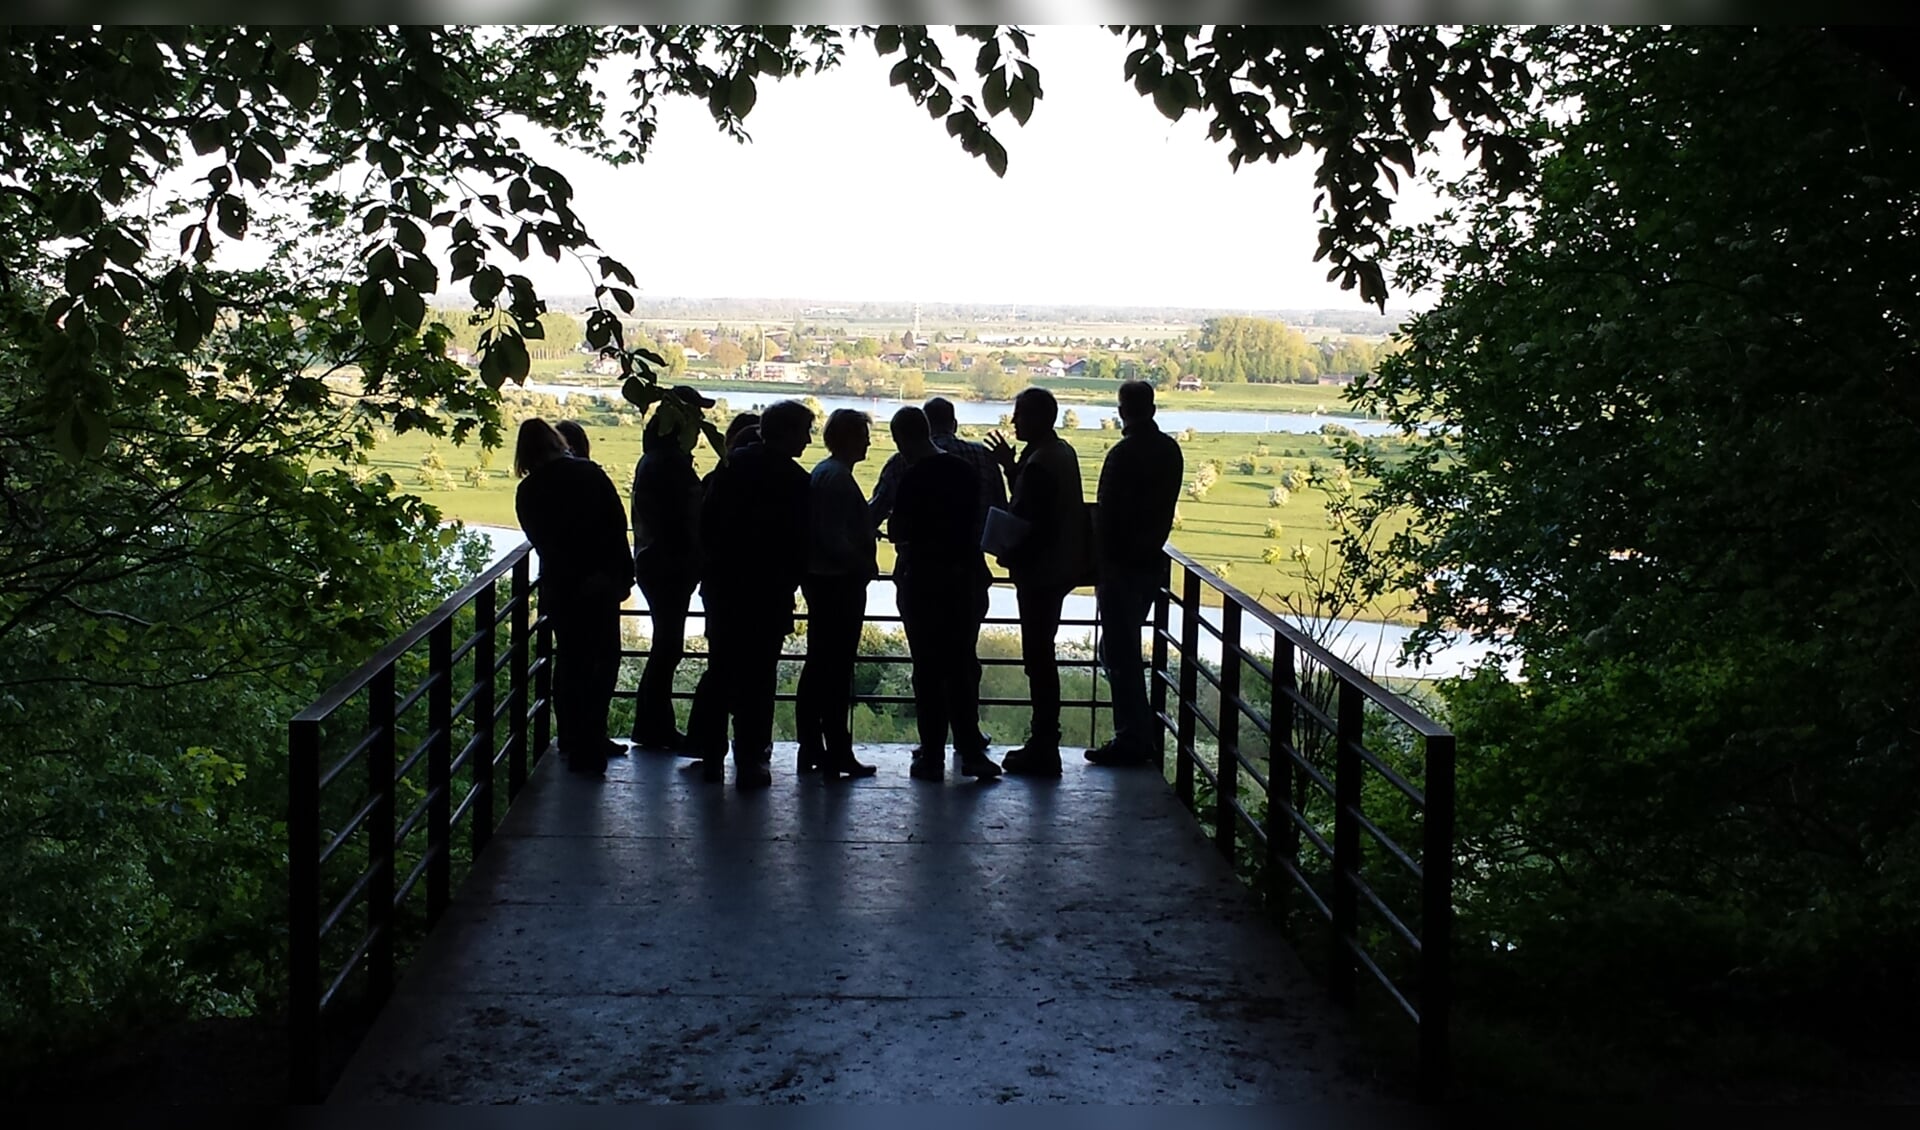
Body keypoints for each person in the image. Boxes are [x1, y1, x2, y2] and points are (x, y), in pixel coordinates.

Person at [868, 398, 1004, 759]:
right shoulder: (975, 464)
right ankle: (968, 739)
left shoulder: (904, 468)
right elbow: (999, 514)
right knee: (962, 659)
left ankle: (931, 750)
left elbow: (888, 521)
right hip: (968, 573)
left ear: (903, 438)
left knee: (927, 665)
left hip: (920, 577)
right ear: (953, 422)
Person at [694, 400, 813, 790]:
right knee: (759, 677)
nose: (809, 440)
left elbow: (706, 526)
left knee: (721, 669)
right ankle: (751, 758)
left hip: (725, 588)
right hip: (768, 591)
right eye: (804, 431)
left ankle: (712, 754)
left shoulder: (729, 468)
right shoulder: (796, 481)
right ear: (789, 433)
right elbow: (800, 544)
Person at [513, 418, 634, 776]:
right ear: (557, 442)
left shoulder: (529, 490)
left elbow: (544, 541)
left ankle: (573, 736)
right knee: (604, 660)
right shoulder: (590, 475)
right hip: (599, 586)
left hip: (563, 587)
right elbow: (615, 524)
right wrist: (619, 576)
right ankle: (593, 734)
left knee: (571, 662)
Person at [983, 387, 1089, 777]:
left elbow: (1030, 518)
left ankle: (1044, 743)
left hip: (1040, 572)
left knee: (1038, 658)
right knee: (1041, 654)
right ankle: (1044, 741)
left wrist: (1007, 549)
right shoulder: (1060, 453)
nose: (1013, 423)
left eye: (1020, 415)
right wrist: (1012, 468)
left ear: (1039, 418)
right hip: (1058, 568)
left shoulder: (1041, 462)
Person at [1087, 380, 1184, 767]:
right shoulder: (1170, 450)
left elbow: (1106, 514)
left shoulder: (1123, 453)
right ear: (1153, 408)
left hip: (1120, 566)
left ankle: (1133, 737)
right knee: (1121, 650)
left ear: (1122, 410)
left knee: (1119, 652)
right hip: (1149, 564)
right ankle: (1137, 734)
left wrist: (1098, 563)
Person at [629, 388, 716, 751]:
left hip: (656, 564)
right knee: (667, 647)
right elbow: (685, 518)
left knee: (666, 646)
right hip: (669, 567)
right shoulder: (671, 464)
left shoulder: (655, 459)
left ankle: (652, 725)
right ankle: (653, 726)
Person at [796, 410, 879, 781]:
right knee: (834, 668)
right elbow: (831, 537)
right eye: (863, 434)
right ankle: (834, 749)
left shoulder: (825, 474)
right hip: (838, 584)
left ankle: (815, 747)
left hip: (826, 583)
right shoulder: (837, 479)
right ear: (847, 438)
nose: (868, 442)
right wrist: (861, 564)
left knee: (820, 666)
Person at [684, 410, 765, 763]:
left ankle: (707, 745)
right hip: (758, 591)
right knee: (755, 672)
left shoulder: (713, 482)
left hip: (718, 587)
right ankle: (751, 746)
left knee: (720, 666)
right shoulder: (771, 487)